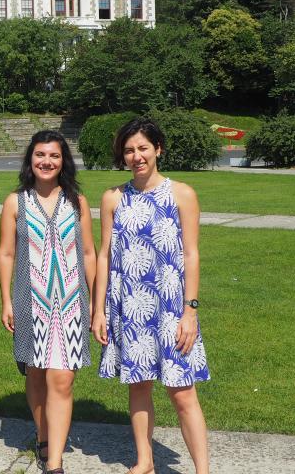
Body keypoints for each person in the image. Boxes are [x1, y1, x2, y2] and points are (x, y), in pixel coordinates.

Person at [92, 117, 210, 474]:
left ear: (158, 149)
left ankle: (203, 470)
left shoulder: (182, 194)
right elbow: (104, 255)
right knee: (138, 385)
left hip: (171, 307)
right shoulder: (113, 198)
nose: (136, 156)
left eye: (143, 148)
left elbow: (191, 254)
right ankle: (144, 461)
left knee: (182, 392)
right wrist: (98, 310)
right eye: (129, 150)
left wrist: (190, 311)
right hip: (129, 306)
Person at [0, 130, 95, 474]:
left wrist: (96, 302)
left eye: (54, 155)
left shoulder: (77, 201)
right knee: (36, 375)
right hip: (31, 300)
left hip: (71, 301)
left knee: (62, 380)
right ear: (30, 159)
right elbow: (6, 253)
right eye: (40, 154)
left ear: (63, 161)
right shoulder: (16, 202)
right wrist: (6, 299)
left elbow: (88, 253)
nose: (47, 161)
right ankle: (43, 436)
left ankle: (54, 461)